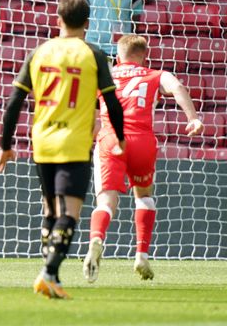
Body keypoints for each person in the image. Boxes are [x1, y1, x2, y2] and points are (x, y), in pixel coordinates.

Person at [0, 0, 126, 299]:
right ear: (88, 24)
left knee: (50, 209)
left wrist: (5, 145)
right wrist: (120, 136)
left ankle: (50, 276)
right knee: (71, 213)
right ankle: (48, 272)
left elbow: (14, 103)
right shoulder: (93, 54)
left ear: (58, 20)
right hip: (74, 143)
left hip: (43, 141)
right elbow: (112, 102)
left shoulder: (40, 52)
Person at [83, 34, 204, 283]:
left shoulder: (104, 76)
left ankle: (96, 239)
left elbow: (92, 115)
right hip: (142, 141)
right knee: (145, 197)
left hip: (111, 138)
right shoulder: (156, 74)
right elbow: (178, 87)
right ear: (144, 56)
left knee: (106, 201)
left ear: (118, 56)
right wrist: (192, 118)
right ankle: (141, 254)